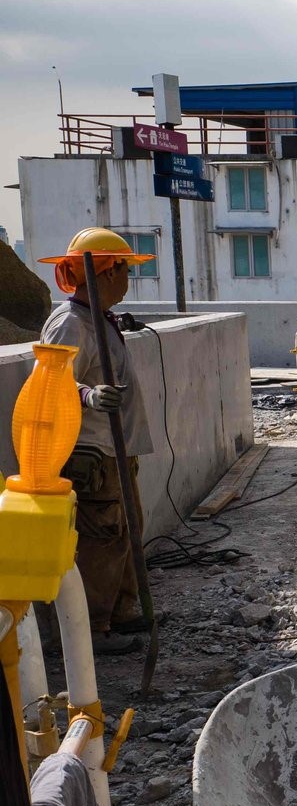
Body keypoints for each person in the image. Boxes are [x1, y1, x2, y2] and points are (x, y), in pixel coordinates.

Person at [37, 228, 156, 655]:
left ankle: (122, 611)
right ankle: (90, 631)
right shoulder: (70, 324)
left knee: (125, 531)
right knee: (99, 541)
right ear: (107, 273)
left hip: (114, 447)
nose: (128, 281)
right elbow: (50, 386)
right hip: (91, 450)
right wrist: (87, 395)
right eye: (126, 271)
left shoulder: (96, 318)